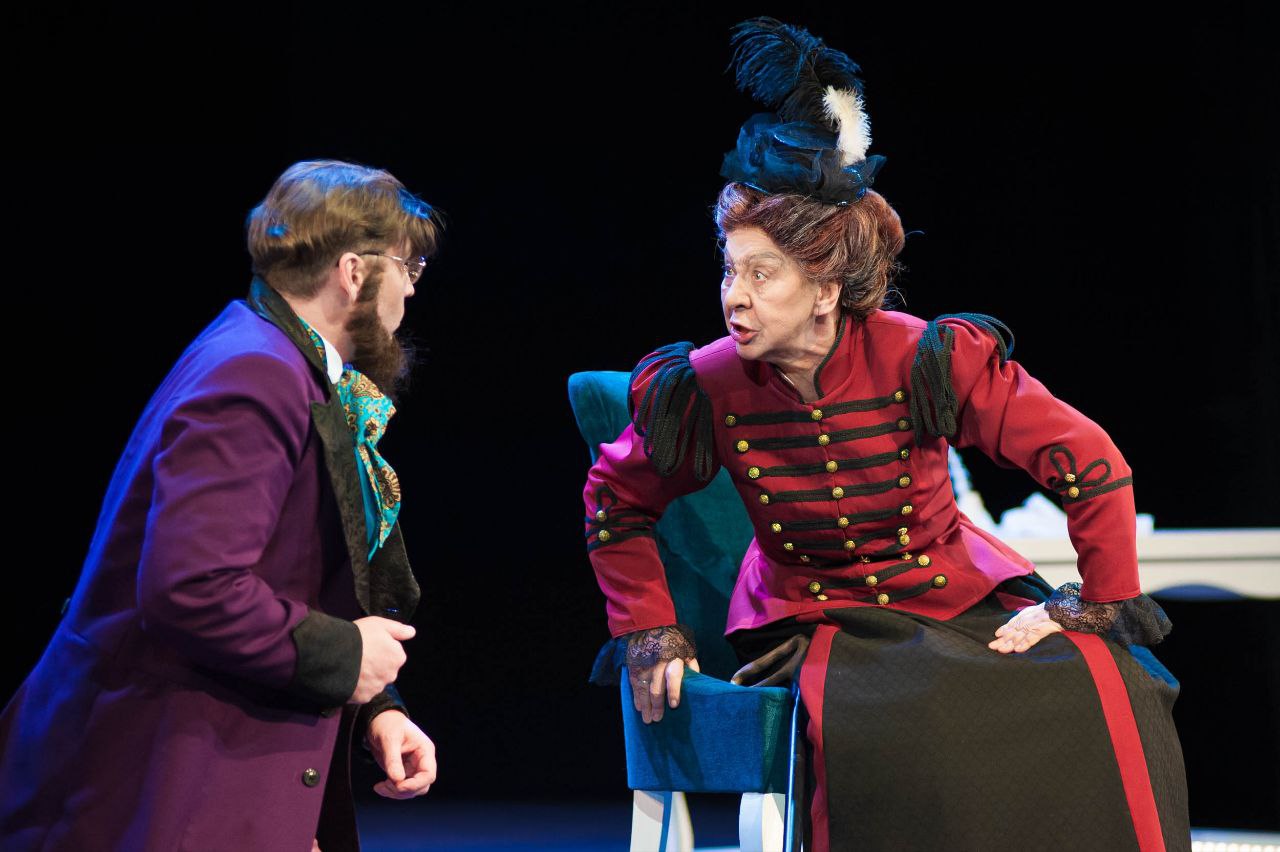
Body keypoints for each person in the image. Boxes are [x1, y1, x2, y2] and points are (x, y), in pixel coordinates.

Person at [583, 19, 1190, 852]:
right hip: (817, 616)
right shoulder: (709, 385)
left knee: (1104, 677)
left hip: (955, 593)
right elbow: (616, 501)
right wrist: (649, 628)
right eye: (729, 269)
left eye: (761, 274)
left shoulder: (923, 358)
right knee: (913, 723)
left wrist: (1094, 602)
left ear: (826, 288)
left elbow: (1087, 458)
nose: (734, 296)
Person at [0, 160, 440, 851]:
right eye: (407, 267)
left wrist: (376, 704)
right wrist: (344, 654)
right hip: (160, 774)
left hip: (205, 765)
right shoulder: (256, 373)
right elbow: (191, 587)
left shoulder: (271, 358)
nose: (410, 291)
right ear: (354, 272)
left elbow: (290, 574)